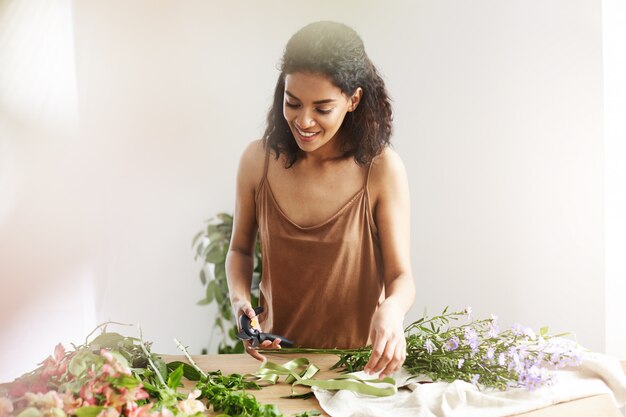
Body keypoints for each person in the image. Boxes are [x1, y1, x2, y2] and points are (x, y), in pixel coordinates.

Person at [226, 21, 415, 380]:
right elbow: (239, 251)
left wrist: (392, 312)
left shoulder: (381, 169)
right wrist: (240, 303)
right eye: (292, 102)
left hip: (357, 372)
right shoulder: (257, 161)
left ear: (353, 100)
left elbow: (401, 276)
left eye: (322, 108)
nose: (304, 121)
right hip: (277, 366)